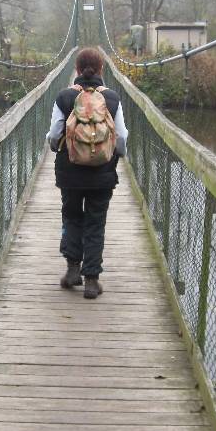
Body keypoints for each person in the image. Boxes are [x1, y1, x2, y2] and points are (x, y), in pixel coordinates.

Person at [46, 47, 128, 299]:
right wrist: (115, 155)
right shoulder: (112, 98)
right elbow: (121, 137)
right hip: (102, 174)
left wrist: (57, 147)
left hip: (69, 172)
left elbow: (55, 134)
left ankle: (73, 270)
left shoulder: (64, 97)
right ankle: (92, 280)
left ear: (77, 69)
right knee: (95, 222)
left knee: (71, 217)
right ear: (102, 69)